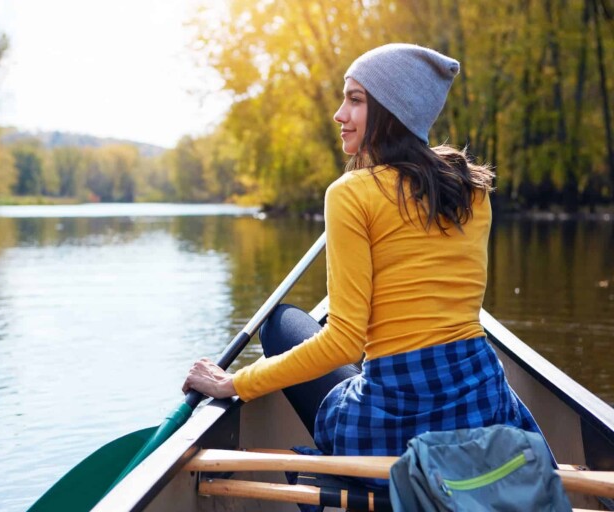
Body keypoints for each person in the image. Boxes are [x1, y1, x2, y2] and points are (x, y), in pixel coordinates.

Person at [182, 43, 547, 488]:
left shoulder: (350, 194)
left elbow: (342, 343)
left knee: (279, 324)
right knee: (314, 338)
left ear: (392, 110)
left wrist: (236, 383)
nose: (339, 114)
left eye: (355, 100)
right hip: (479, 399)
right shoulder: (472, 189)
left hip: (399, 419)